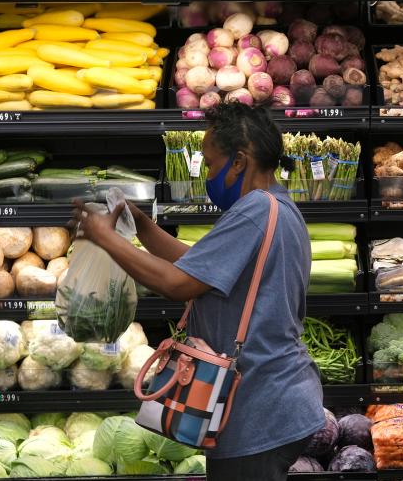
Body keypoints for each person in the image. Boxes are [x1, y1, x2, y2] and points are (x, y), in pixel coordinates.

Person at [71, 103, 325, 480]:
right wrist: (142, 227)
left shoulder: (254, 210)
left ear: (239, 161)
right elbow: (200, 264)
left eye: (209, 163)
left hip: (257, 408)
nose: (207, 173)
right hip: (280, 396)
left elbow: (177, 284)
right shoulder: (279, 207)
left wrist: (106, 237)